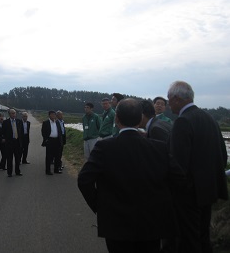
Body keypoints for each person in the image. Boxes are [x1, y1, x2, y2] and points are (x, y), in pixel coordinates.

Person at [78, 99, 185, 253]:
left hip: (116, 225)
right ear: (140, 119)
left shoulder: (104, 147)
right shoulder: (159, 147)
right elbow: (179, 179)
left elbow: (84, 180)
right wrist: (162, 204)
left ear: (116, 119)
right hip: (152, 224)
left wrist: (100, 207)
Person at [167, 81, 228, 253]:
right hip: (209, 191)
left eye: (169, 99)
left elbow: (177, 165)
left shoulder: (182, 122)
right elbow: (222, 156)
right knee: (203, 236)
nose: (168, 103)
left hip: (188, 196)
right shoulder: (209, 118)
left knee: (188, 240)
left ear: (177, 99)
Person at [2, 109, 23, 177]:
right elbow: (3, 132)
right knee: (9, 158)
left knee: (17, 158)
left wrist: (21, 141)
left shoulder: (19, 121)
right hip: (9, 143)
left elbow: (21, 132)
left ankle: (17, 171)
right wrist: (5, 139)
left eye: (14, 113)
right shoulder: (5, 122)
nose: (14, 114)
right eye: (12, 113)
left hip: (17, 142)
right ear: (9, 114)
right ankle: (9, 172)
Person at [41, 111, 63, 175]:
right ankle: (48, 170)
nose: (53, 116)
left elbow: (60, 131)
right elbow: (43, 132)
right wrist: (46, 139)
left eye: (54, 114)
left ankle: (56, 169)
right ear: (49, 115)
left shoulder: (57, 122)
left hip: (57, 141)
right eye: (52, 114)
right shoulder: (46, 123)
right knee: (49, 156)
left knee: (57, 156)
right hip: (50, 141)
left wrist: (60, 140)